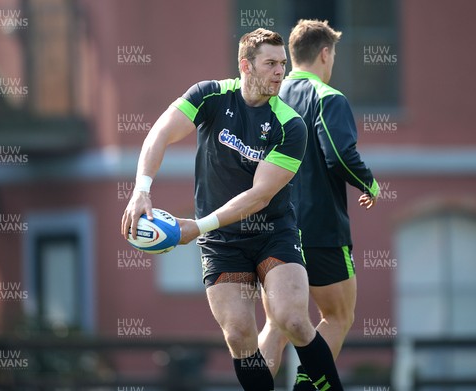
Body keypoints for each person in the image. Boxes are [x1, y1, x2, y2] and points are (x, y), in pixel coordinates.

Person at [121, 28, 345, 391]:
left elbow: (259, 195)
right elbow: (159, 133)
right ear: (246, 65)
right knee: (240, 334)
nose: (279, 72)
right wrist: (140, 191)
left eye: (283, 64)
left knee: (293, 319)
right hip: (222, 242)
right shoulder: (210, 95)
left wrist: (199, 225)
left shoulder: (290, 124)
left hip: (273, 233)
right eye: (270, 63)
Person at [257, 20, 379, 390]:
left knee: (276, 325)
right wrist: (368, 182)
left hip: (271, 231)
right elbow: (339, 155)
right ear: (325, 53)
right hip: (320, 230)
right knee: (338, 315)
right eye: (333, 55)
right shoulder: (328, 96)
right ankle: (308, 385)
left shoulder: (268, 100)